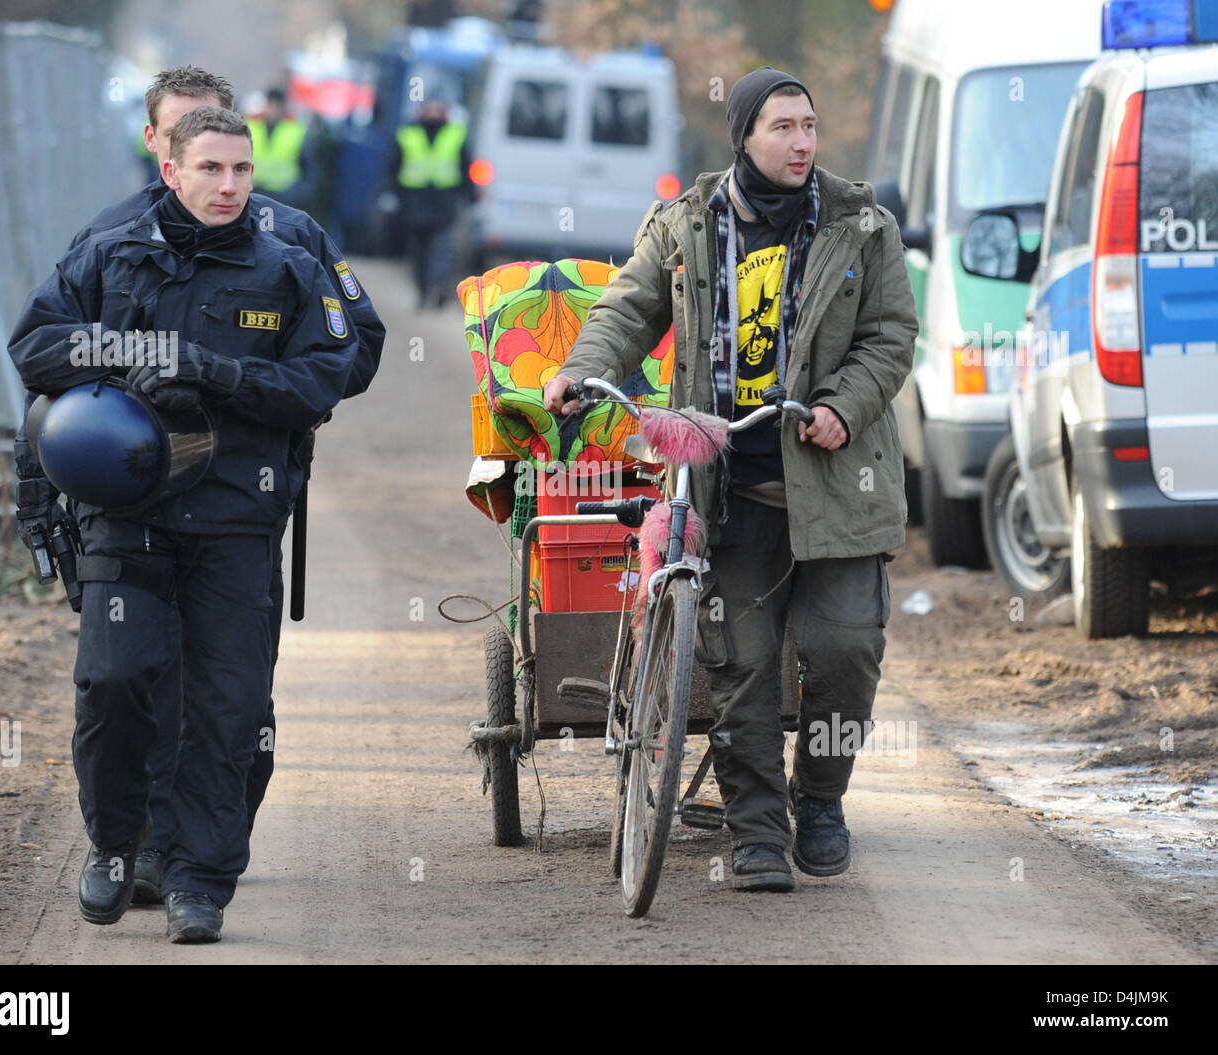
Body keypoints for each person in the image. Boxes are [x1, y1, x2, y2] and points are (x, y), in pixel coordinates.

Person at [12, 65, 385, 907]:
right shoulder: (111, 239)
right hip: (131, 501)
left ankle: (196, 868)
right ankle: (133, 846)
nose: (222, 177)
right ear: (162, 150)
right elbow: (42, 352)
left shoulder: (293, 245)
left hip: (240, 497)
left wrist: (250, 388)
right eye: (196, 150)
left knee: (231, 703)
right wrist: (134, 367)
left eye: (236, 160)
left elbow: (347, 349)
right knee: (126, 681)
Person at [543, 68, 917, 892]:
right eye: (782, 126)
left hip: (836, 483)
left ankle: (820, 801)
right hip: (731, 489)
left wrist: (842, 407)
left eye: (809, 126)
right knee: (742, 663)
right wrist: (580, 369)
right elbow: (627, 310)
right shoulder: (687, 223)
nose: (801, 142)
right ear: (744, 135)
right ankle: (754, 830)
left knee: (845, 649)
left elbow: (892, 335)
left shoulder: (863, 224)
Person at [388, 98, 474, 309]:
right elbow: (393, 168)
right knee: (418, 251)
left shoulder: (456, 135)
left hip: (443, 201)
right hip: (414, 201)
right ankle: (423, 292)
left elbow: (465, 167)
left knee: (442, 248)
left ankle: (440, 287)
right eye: (430, 108)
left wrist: (469, 196)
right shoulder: (407, 134)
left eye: (439, 109)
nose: (434, 113)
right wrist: (391, 196)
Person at [247, 87, 307, 203]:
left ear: (282, 107)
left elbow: (307, 166)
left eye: (276, 106)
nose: (272, 110)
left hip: (283, 194)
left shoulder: (295, 129)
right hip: (253, 190)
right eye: (270, 105)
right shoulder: (251, 125)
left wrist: (298, 193)